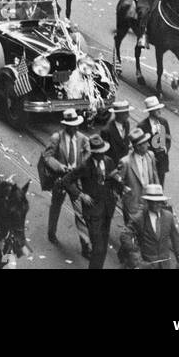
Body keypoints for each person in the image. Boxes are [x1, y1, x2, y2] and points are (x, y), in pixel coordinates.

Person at [42, 109, 91, 257]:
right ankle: (51, 232)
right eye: (71, 126)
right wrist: (59, 166)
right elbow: (47, 156)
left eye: (76, 125)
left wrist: (81, 165)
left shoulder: (82, 138)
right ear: (65, 125)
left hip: (75, 180)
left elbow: (89, 154)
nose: (75, 128)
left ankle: (85, 245)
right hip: (61, 179)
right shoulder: (56, 138)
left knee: (80, 212)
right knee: (56, 205)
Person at [76, 135, 122, 270]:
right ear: (94, 154)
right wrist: (81, 194)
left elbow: (113, 178)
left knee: (103, 249)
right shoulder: (85, 166)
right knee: (98, 247)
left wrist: (118, 190)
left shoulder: (108, 161)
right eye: (99, 153)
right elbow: (67, 180)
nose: (102, 155)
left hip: (107, 209)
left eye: (103, 152)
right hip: (92, 212)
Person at [134, 183, 179, 269]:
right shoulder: (139, 218)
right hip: (147, 265)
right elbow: (126, 238)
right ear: (148, 202)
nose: (157, 205)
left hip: (165, 265)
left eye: (159, 202)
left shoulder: (168, 216)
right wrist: (138, 261)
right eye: (153, 202)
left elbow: (176, 239)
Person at [139, 96, 172, 184]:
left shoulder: (163, 122)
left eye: (159, 109)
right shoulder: (142, 126)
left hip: (162, 162)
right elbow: (140, 145)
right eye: (156, 109)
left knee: (160, 186)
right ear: (150, 111)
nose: (159, 111)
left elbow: (168, 139)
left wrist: (165, 148)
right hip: (149, 163)